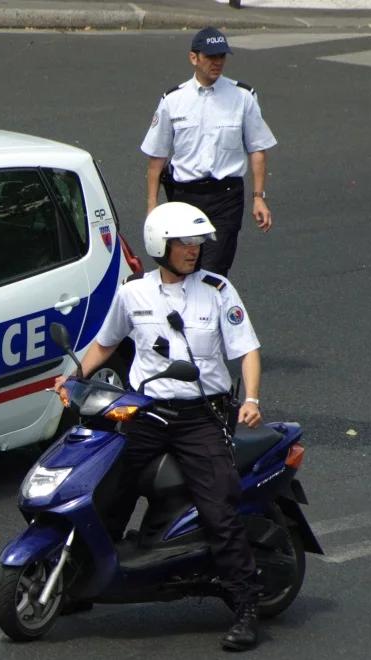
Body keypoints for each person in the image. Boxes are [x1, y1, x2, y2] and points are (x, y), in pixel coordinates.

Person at [57, 201, 266, 651]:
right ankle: (87, 580)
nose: (194, 251)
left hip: (201, 415)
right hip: (146, 411)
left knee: (218, 509)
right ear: (161, 246)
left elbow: (246, 349)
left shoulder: (217, 290)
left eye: (197, 243)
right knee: (108, 490)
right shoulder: (134, 293)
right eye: (185, 243)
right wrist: (72, 377)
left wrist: (250, 399)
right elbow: (105, 343)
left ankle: (247, 604)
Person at [140, 26, 277, 277]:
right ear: (194, 58)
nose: (217, 63)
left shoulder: (243, 96)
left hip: (225, 198)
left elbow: (258, 148)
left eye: (221, 57)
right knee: (182, 270)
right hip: (184, 197)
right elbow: (156, 157)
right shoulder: (173, 100)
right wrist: (152, 205)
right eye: (211, 57)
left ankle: (210, 316)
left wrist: (259, 196)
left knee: (212, 273)